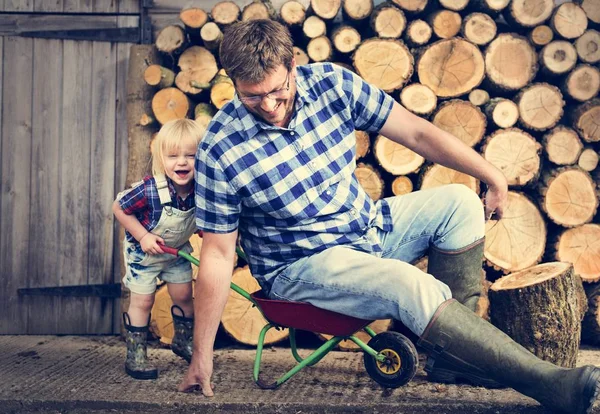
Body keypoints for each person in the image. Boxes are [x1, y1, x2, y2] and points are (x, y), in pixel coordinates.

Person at [180, 19, 600, 413]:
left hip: (367, 229)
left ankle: (455, 362)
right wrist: (203, 355)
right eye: (251, 96)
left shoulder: (333, 84)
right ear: (231, 81)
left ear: (293, 64)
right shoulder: (221, 147)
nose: (269, 105)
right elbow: (217, 254)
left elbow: (416, 132)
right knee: (409, 283)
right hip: (300, 266)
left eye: (278, 91)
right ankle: (549, 384)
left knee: (459, 202)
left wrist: (490, 173)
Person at [113, 118, 203, 379]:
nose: (182, 162)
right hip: (144, 255)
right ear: (161, 157)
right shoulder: (150, 189)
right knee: (143, 300)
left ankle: (183, 341)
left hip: (176, 254)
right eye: (173, 156)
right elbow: (118, 207)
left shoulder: (202, 191)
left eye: (191, 155)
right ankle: (136, 353)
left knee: (185, 296)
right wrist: (142, 236)